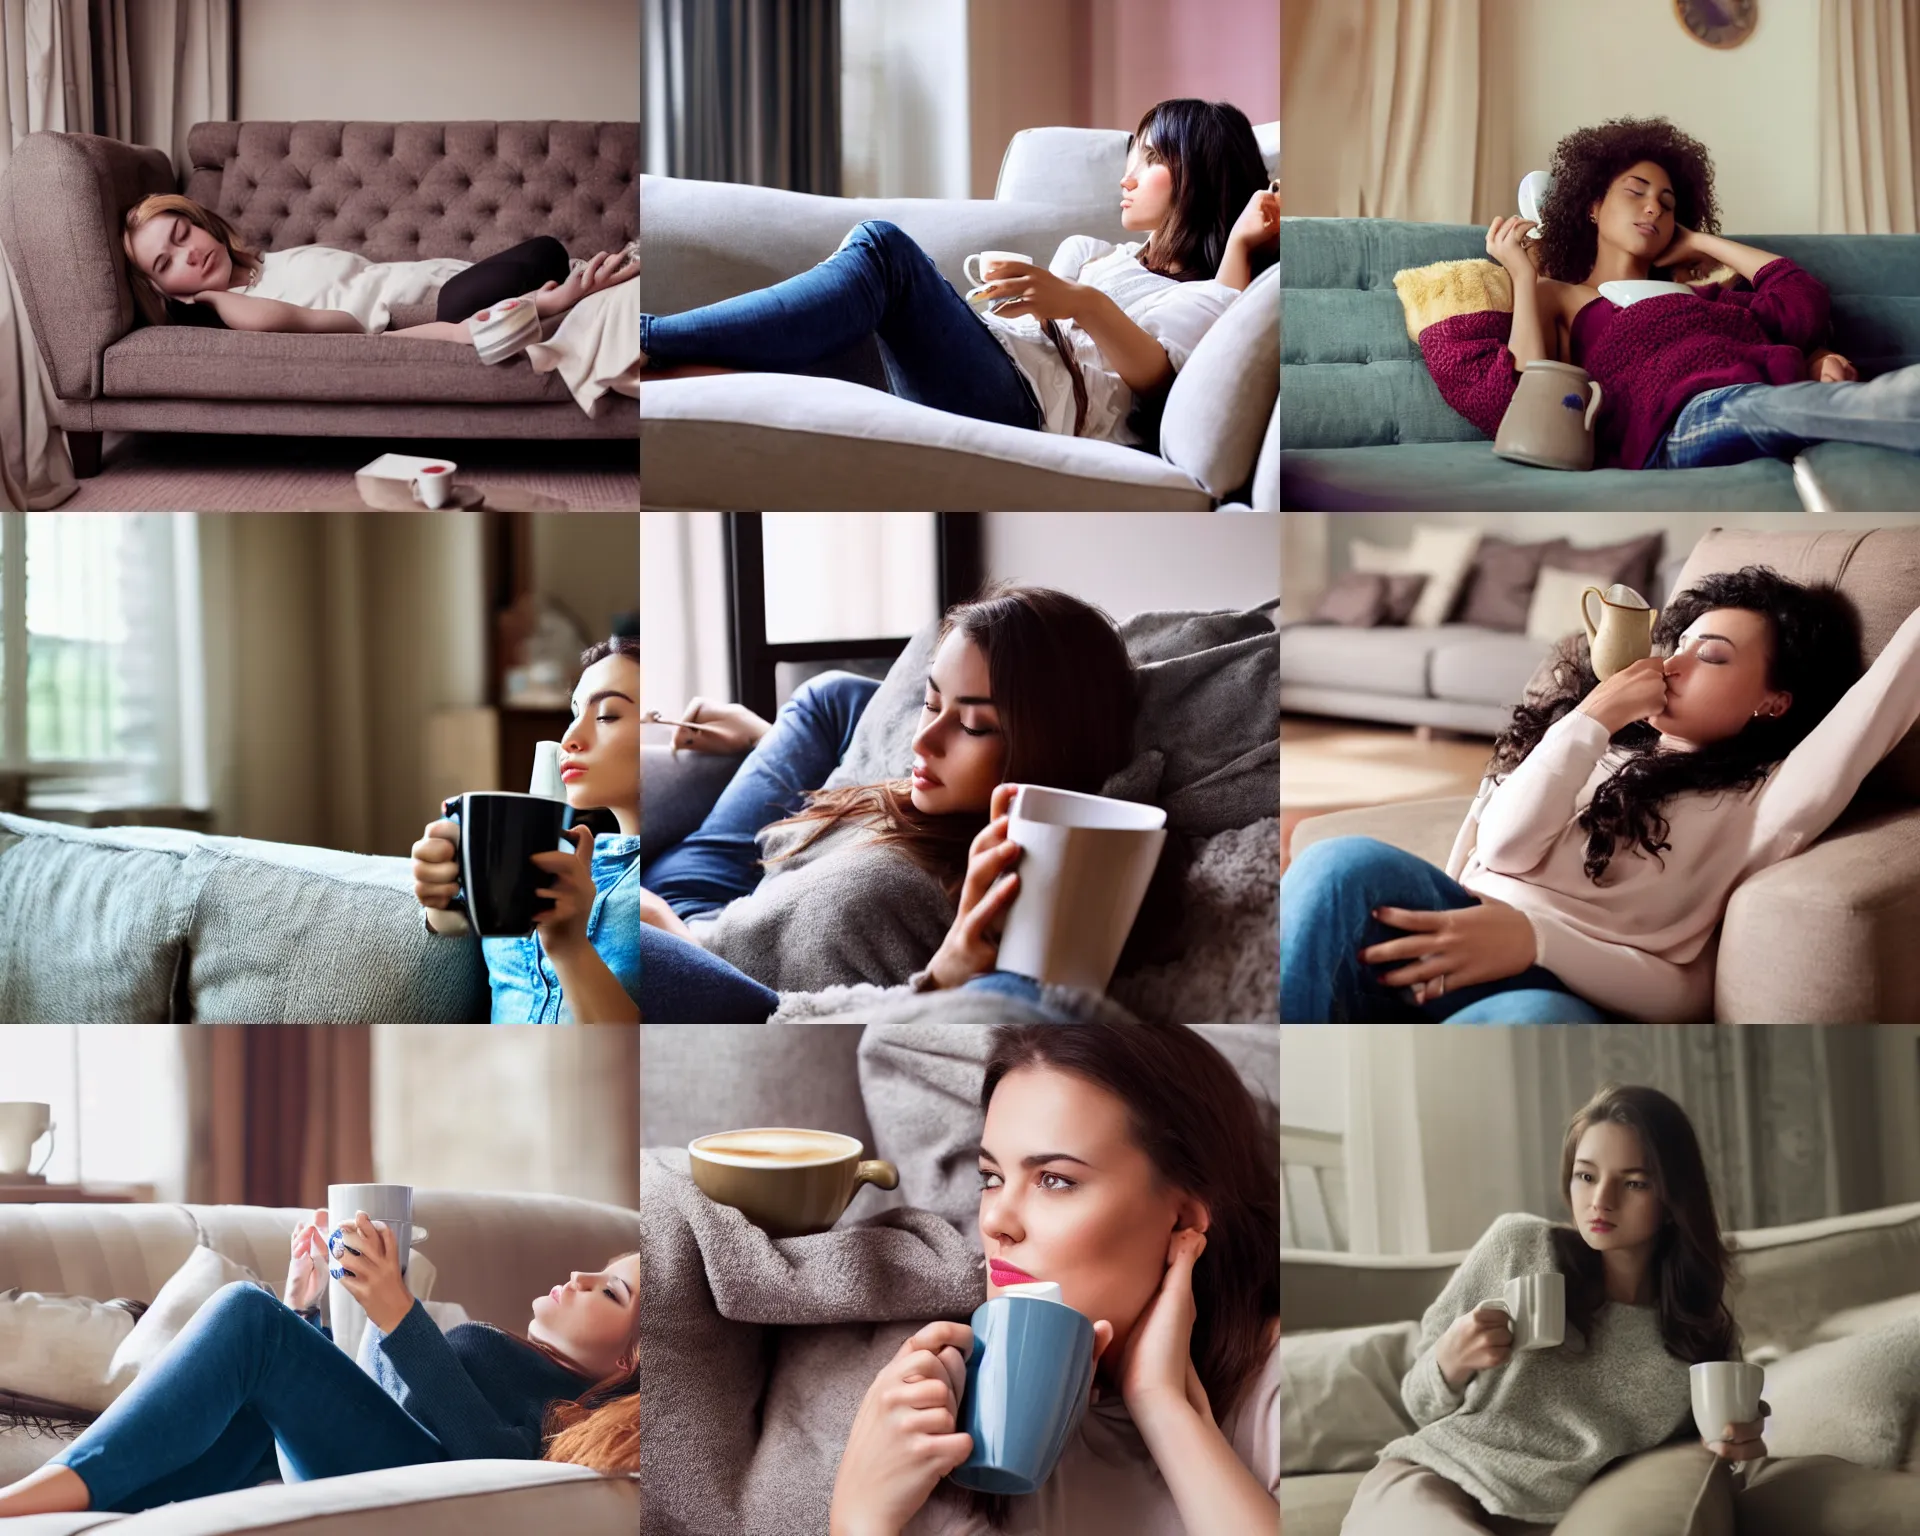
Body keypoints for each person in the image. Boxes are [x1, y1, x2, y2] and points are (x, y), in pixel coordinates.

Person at [1281, 567, 1920, 1023]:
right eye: (1681, 643)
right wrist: (1592, 718)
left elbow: (1683, 994)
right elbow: (1499, 845)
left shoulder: (1769, 800)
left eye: (1714, 656)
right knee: (1340, 864)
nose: (1675, 664)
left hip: (1546, 986)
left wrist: (1537, 941)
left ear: (1773, 701)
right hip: (1446, 925)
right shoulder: (1597, 743)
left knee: (1537, 1020)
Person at [826, 1020, 1278, 1535]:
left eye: (1055, 1180)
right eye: (991, 1178)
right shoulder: (936, 1412)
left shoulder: (1282, 1387)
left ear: (1182, 1222)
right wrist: (859, 1519)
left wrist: (1164, 1404)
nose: (996, 1221)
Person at [638, 99, 1278, 447]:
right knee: (840, 332)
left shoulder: (1217, 297)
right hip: (996, 368)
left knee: (883, 250)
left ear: (1199, 173)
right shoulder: (1092, 251)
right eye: (1129, 158)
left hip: (1027, 409)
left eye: (1150, 159)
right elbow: (1023, 325)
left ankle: (650, 335)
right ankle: (666, 370)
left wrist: (1244, 237)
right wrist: (1023, 293)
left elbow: (1160, 377)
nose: (1127, 177)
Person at [638, 585, 1143, 1022]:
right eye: (931, 701)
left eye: (974, 725)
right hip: (728, 898)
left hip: (697, 937)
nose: (921, 742)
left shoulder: (1010, 889)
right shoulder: (929, 797)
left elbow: (813, 1022)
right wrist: (765, 744)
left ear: (1049, 748)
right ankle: (763, 736)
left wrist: (674, 937)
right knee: (836, 696)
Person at [0, 1208, 638, 1517]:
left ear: (629, 1358)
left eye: (612, 1291)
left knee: (248, 1317)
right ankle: (83, 1508)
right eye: (600, 1272)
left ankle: (27, 1500)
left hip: (424, 1492)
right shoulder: (522, 1357)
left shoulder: (570, 1409)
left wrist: (398, 1313)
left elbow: (502, 1466)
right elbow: (375, 1407)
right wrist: (307, 1314)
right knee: (257, 1369)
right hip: (384, 1469)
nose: (580, 1277)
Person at [1341, 1084, 1764, 1534]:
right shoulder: (1519, 1246)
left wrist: (1743, 1441)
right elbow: (1418, 1403)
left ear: (1672, 1203)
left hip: (1565, 1515)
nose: (1601, 1199)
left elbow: (1729, 1450)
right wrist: (1452, 1357)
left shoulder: (1700, 1331)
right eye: (1586, 1175)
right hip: (1433, 1479)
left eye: (1635, 1182)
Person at [1479, 115, 1920, 472]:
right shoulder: (1564, 297)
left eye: (1667, 205)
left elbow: (1802, 304)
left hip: (1763, 394)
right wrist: (1522, 275)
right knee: (1784, 407)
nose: (1652, 207)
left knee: (1788, 406)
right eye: (1636, 192)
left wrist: (1703, 242)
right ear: (1593, 206)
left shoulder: (1702, 297)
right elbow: (1521, 397)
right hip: (1678, 421)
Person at [411, 635, 639, 1024]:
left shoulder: (666, 889)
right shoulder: (556, 858)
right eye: (573, 714)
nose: (569, 739)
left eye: (606, 715)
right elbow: (453, 925)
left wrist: (570, 948)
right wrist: (446, 899)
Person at [121, 193, 639, 343]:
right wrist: (205, 298)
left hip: (458, 276)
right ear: (163, 289)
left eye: (183, 233)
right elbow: (330, 325)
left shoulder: (273, 263)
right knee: (530, 263)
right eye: (167, 264)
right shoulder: (244, 312)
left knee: (546, 253)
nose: (188, 255)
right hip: (445, 306)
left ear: (201, 222)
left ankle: (605, 273)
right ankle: (587, 284)